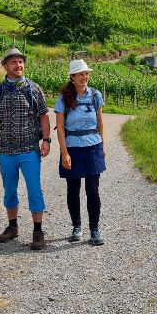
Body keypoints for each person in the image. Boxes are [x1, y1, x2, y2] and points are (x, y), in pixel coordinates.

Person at [0, 48, 51, 250]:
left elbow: (44, 116)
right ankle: (13, 227)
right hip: (5, 151)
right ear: (5, 66)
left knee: (34, 190)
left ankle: (38, 231)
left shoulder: (34, 89)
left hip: (29, 149)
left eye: (21, 62)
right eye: (13, 62)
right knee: (9, 191)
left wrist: (46, 140)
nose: (18, 66)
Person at [54, 59, 106, 245]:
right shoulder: (63, 98)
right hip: (72, 149)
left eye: (86, 74)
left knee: (92, 190)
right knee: (73, 190)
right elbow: (60, 127)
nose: (84, 77)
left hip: (93, 147)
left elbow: (99, 122)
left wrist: (103, 145)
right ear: (72, 77)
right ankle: (76, 227)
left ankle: (94, 229)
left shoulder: (95, 95)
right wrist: (64, 153)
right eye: (80, 74)